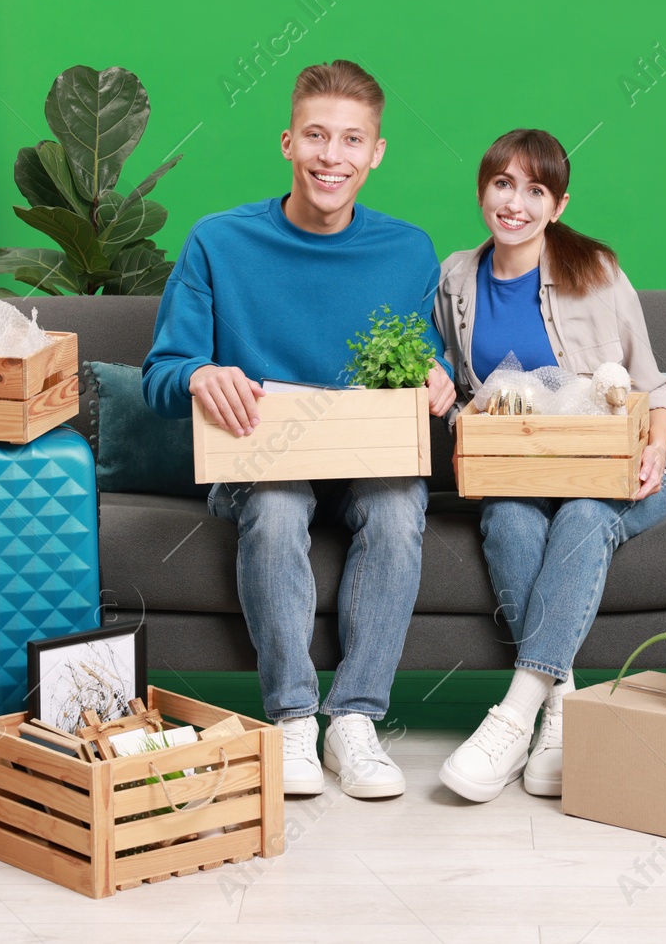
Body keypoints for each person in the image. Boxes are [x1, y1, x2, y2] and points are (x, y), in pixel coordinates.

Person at [143, 60, 455, 799]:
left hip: (366, 460)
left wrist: (437, 377)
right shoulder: (218, 241)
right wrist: (197, 373)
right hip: (260, 458)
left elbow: (426, 361)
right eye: (316, 136)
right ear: (288, 141)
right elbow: (160, 372)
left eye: (351, 140)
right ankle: (291, 720)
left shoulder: (408, 250)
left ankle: (353, 719)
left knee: (397, 502)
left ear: (376, 153)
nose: (331, 157)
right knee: (279, 504)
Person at [432, 128, 666, 802]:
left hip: (619, 471)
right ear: (481, 189)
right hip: (519, 470)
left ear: (558, 203)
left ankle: (514, 712)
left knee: (584, 514)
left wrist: (655, 445)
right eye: (502, 184)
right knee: (508, 517)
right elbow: (447, 376)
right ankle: (562, 707)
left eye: (534, 190)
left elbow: (653, 387)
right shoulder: (456, 277)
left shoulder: (597, 271)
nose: (514, 203)